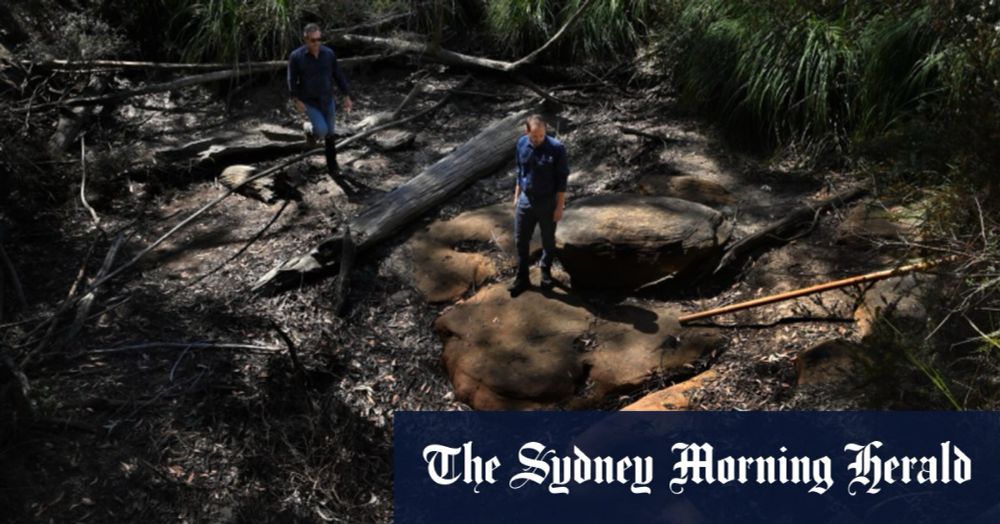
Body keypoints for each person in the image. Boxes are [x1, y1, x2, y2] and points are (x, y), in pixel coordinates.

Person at [508, 115, 569, 296]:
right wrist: (517, 195)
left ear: (545, 131)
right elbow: (520, 170)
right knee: (520, 239)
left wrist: (559, 207)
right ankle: (522, 277)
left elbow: (562, 180)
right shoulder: (521, 144)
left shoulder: (556, 148)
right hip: (526, 199)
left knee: (548, 239)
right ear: (527, 132)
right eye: (534, 136)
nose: (538, 139)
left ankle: (545, 272)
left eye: (541, 136)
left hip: (548, 201)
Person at [287, 23, 354, 179]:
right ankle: (309, 128)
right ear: (305, 39)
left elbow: (338, 75)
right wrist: (296, 100)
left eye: (319, 39)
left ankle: (333, 167)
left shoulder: (328, 54)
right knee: (322, 131)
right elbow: (291, 79)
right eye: (313, 40)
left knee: (330, 134)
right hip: (309, 101)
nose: (316, 43)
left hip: (327, 99)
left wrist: (346, 95)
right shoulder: (296, 57)